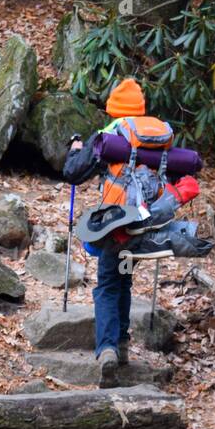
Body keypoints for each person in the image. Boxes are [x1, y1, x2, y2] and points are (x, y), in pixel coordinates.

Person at [62, 78, 200, 387]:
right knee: (123, 278)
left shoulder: (110, 136)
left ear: (113, 110)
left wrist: (75, 150)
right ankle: (121, 345)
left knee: (109, 283)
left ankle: (108, 348)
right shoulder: (159, 135)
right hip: (150, 222)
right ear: (141, 109)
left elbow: (73, 172)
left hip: (117, 223)